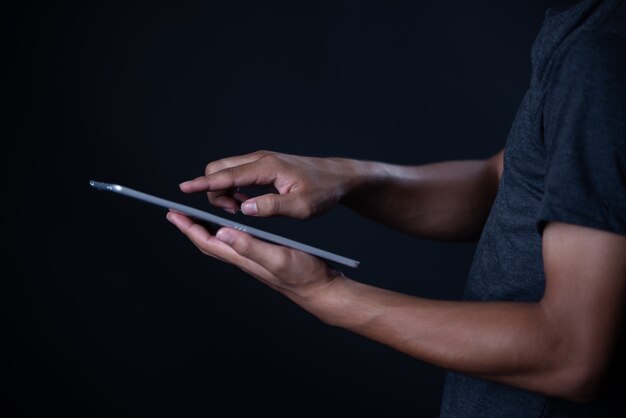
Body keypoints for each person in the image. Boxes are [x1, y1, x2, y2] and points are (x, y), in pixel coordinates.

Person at [166, 0, 626, 416]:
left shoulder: (601, 56)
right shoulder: (588, 27)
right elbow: (505, 184)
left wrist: (328, 296)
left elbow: (570, 354)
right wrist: (347, 177)